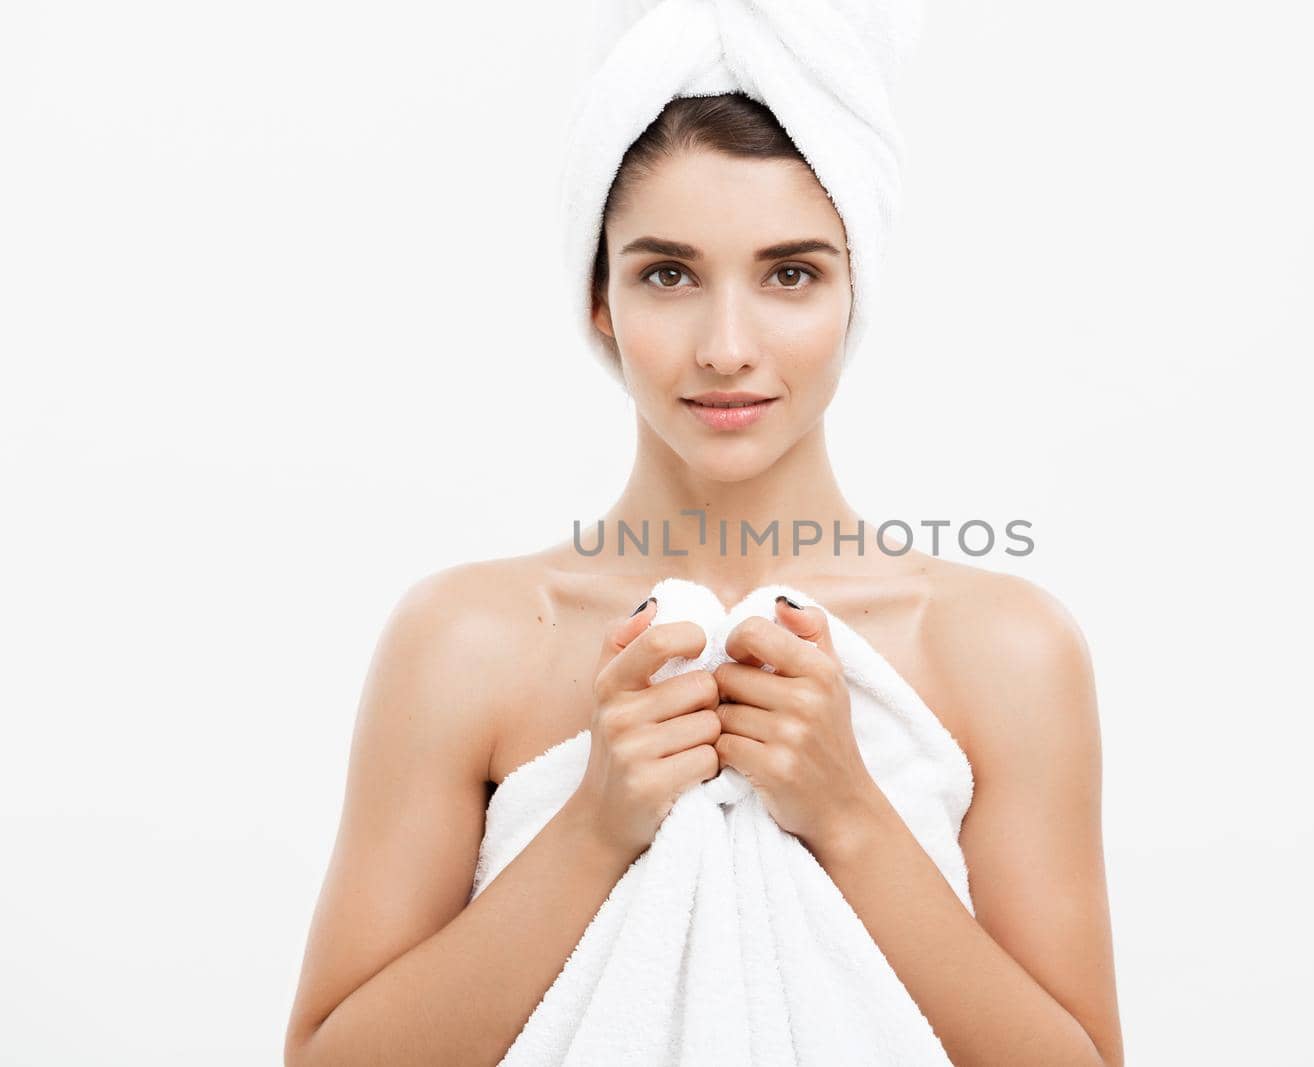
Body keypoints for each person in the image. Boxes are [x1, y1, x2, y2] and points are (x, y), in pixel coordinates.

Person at [284, 92, 1122, 1066]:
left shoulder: (1000, 648)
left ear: (856, 290)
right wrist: (594, 827)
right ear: (600, 299)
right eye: (669, 272)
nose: (727, 346)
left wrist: (850, 815)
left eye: (791, 273)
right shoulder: (470, 638)